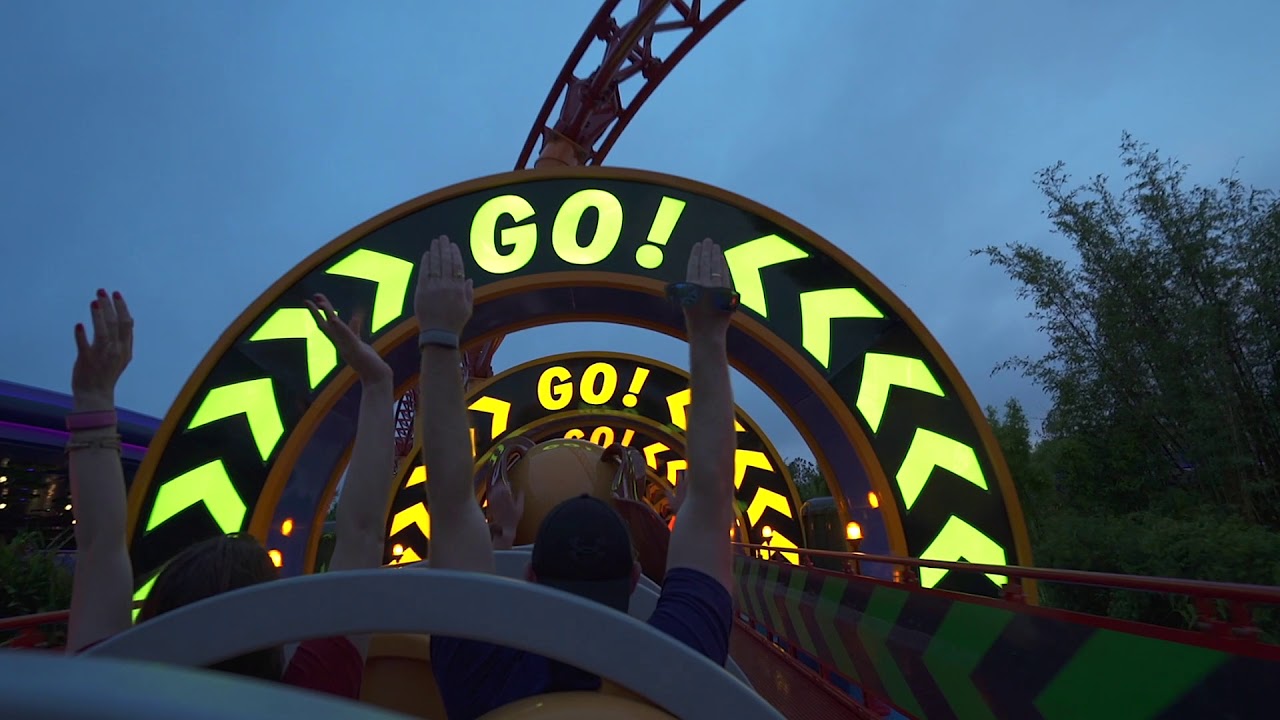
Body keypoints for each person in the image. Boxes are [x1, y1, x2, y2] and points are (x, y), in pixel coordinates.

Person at [413, 236, 738, 719]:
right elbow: (713, 502)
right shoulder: (683, 659)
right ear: (634, 579)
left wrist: (438, 336)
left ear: (530, 576)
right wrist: (709, 333)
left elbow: (449, 501)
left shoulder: (478, 672)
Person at [65, 290, 396, 698]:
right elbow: (363, 532)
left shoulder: (108, 695)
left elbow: (100, 547)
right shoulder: (312, 692)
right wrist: (378, 383)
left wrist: (94, 399)